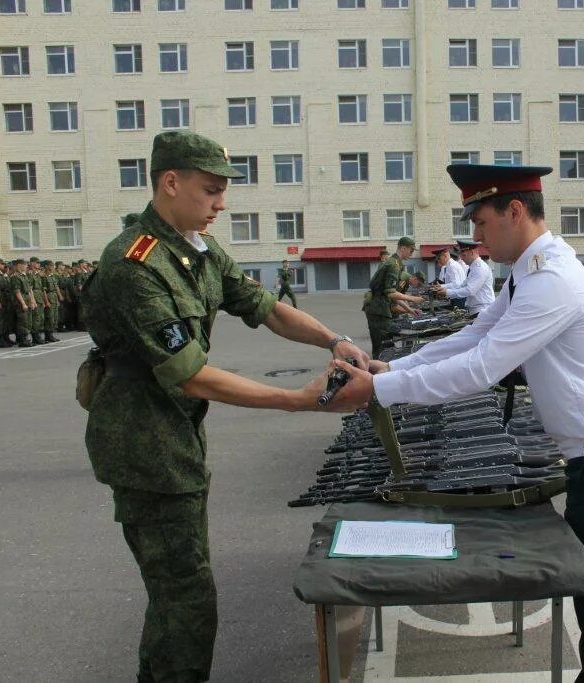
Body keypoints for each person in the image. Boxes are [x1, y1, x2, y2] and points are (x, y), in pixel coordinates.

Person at [328, 163, 584, 682]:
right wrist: (393, 368)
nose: (477, 239)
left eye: (483, 223)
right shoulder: (531, 273)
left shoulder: (551, 280)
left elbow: (482, 368)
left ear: (516, 211)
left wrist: (379, 391)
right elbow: (473, 336)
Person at [80, 130, 369, 683]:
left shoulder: (197, 249)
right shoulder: (134, 264)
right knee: (185, 597)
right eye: (211, 190)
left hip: (175, 438)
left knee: (177, 592)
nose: (221, 203)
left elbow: (265, 307)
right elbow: (190, 375)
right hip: (144, 445)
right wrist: (298, 401)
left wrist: (334, 341)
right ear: (171, 182)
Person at [361, 236, 423, 358]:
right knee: (381, 347)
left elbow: (394, 295)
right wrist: (413, 299)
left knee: (386, 344)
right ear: (403, 248)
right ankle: (376, 374)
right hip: (378, 309)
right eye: (411, 250)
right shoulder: (393, 265)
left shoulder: (396, 264)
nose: (411, 254)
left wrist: (410, 310)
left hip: (380, 308)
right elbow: (391, 293)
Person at [431, 239, 495, 315]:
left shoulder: (479, 268)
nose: (461, 258)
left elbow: (470, 290)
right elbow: (462, 285)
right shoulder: (473, 267)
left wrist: (447, 292)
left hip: (482, 310)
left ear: (472, 252)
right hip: (477, 309)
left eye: (464, 255)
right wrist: (443, 289)